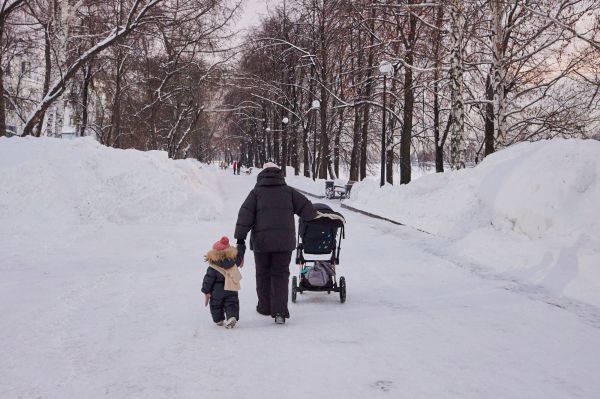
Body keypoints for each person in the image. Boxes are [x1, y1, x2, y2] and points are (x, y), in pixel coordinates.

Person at [234, 162, 318, 324]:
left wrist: (240, 239)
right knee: (280, 275)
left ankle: (265, 307)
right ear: (280, 175)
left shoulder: (256, 193)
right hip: (284, 243)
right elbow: (308, 212)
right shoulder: (289, 192)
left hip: (262, 243)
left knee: (262, 274)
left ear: (262, 174)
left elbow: (244, 216)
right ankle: (279, 312)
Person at [201, 236, 243, 329]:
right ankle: (231, 317)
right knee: (232, 304)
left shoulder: (213, 267)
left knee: (216, 305)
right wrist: (241, 247)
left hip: (217, 292)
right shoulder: (233, 261)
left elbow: (208, 279)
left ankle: (218, 320)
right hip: (231, 289)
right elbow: (240, 256)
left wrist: (206, 291)